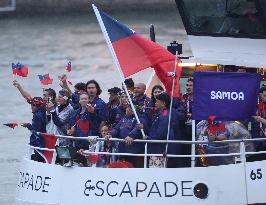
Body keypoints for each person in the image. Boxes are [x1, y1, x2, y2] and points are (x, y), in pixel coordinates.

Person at [21, 97, 47, 162]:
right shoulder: (42, 112)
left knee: (39, 159)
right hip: (43, 142)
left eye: (34, 105)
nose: (32, 107)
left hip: (39, 143)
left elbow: (37, 130)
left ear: (39, 106)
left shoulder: (37, 115)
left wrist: (28, 126)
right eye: (31, 105)